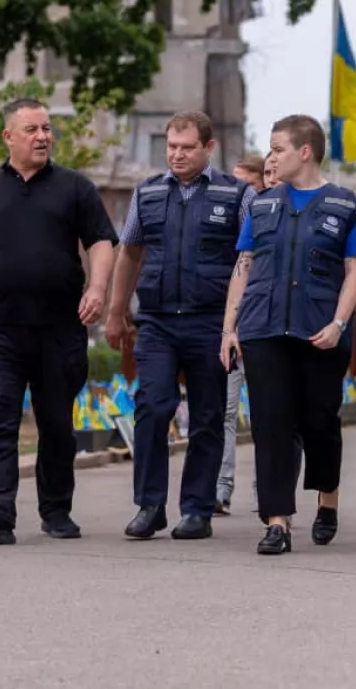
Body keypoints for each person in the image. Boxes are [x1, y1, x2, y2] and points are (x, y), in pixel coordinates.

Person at [0, 99, 117, 546]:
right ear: (9, 137)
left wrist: (97, 289)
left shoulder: (75, 188)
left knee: (56, 422)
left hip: (59, 329)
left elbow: (100, 241)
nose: (42, 137)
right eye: (32, 129)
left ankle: (56, 510)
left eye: (47, 129)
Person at [221, 116, 356, 556]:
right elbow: (243, 267)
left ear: (305, 151)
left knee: (319, 421)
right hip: (263, 328)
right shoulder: (263, 205)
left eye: (278, 149)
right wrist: (229, 328)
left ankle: (327, 496)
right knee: (271, 425)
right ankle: (278, 522)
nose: (271, 158)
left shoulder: (345, 205)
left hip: (318, 329)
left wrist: (338, 323)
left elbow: (355, 273)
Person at [106, 112, 255, 539]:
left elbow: (249, 260)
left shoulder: (236, 195)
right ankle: (150, 505)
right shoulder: (147, 193)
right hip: (156, 321)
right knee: (152, 406)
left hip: (211, 321)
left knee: (208, 416)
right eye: (171, 147)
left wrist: (237, 323)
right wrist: (117, 312)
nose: (177, 154)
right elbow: (130, 252)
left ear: (209, 148)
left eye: (187, 147)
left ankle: (197, 509)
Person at [215, 152, 270, 514]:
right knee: (226, 411)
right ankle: (221, 489)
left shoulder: (270, 219)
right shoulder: (225, 226)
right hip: (233, 328)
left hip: (264, 326)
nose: (239, 192)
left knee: (268, 414)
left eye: (247, 185)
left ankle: (266, 490)